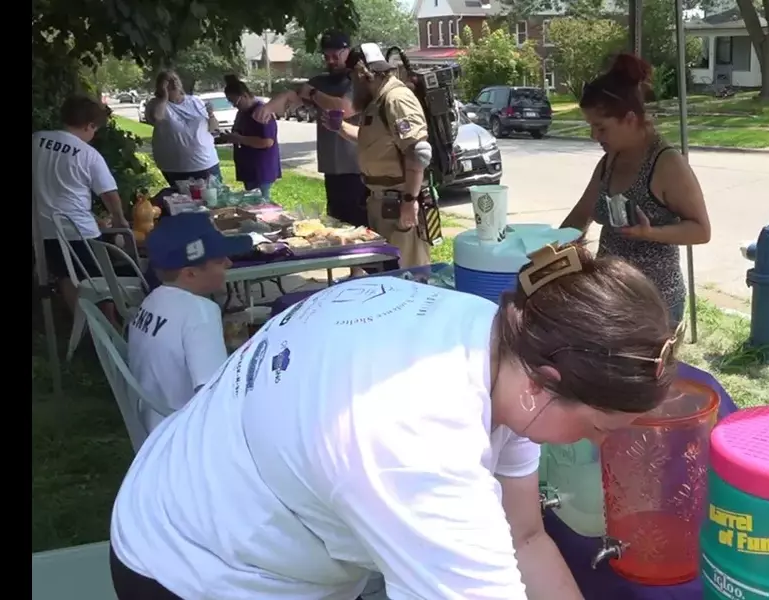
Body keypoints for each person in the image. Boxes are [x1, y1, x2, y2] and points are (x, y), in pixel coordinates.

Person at [109, 240, 680, 600]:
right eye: (599, 430)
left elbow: (525, 536)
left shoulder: (506, 340)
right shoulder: (415, 442)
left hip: (228, 497)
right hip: (189, 566)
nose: (597, 446)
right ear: (546, 387)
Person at [560, 54, 711, 327]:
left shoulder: (666, 164)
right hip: (612, 299)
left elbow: (701, 230)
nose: (594, 136)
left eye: (601, 127)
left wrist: (651, 233)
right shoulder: (610, 160)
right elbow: (581, 215)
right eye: (591, 127)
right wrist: (552, 254)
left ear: (630, 119)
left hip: (655, 307)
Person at [126, 213, 250, 432]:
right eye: (220, 261)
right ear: (190, 273)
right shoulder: (199, 313)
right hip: (185, 435)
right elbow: (214, 394)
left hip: (154, 423)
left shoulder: (152, 300)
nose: (229, 263)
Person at [327, 43, 433, 269]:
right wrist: (340, 128)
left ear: (361, 73)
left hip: (399, 202)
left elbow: (417, 152)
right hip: (382, 203)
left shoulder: (395, 99)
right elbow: (375, 141)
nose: (352, 84)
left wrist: (410, 201)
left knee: (410, 273)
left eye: (353, 77)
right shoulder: (376, 100)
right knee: (389, 274)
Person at [255, 31, 367, 229]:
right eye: (326, 56)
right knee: (338, 225)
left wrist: (314, 94)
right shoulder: (320, 81)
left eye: (336, 55)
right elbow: (292, 97)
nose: (331, 60)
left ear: (347, 52)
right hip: (331, 169)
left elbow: (343, 109)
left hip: (357, 169)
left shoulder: (358, 80)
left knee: (360, 227)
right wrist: (270, 106)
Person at [32, 94, 130, 313]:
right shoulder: (88, 155)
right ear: (90, 125)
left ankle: (83, 321)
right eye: (95, 130)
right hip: (79, 231)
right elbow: (109, 194)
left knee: (66, 276)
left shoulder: (36, 140)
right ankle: (108, 327)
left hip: (44, 229)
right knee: (100, 282)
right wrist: (119, 220)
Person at [146, 70, 222, 189]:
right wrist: (165, 96)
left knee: (213, 199)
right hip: (174, 167)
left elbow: (214, 129)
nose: (174, 83)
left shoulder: (195, 101)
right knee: (183, 202)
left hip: (206, 163)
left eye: (176, 80)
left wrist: (211, 115)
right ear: (161, 86)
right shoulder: (156, 104)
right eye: (169, 81)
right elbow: (156, 118)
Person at [224, 75, 280, 201]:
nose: (234, 106)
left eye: (235, 102)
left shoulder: (261, 112)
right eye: (230, 102)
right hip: (248, 169)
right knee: (251, 203)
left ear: (244, 96)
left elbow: (267, 142)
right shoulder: (243, 112)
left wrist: (240, 139)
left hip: (261, 169)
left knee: (261, 205)